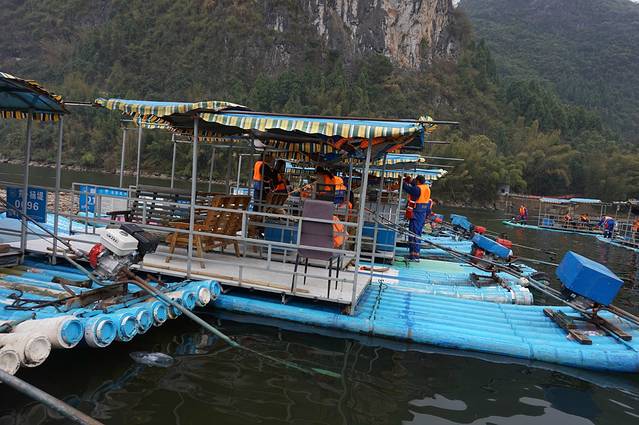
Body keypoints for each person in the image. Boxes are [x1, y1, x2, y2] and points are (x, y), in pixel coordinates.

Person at [402, 175, 431, 261]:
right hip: (422, 213)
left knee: (413, 233)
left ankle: (413, 255)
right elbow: (415, 186)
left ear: (418, 181)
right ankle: (415, 254)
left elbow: (409, 189)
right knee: (417, 233)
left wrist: (402, 182)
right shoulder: (426, 188)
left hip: (416, 213)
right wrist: (410, 181)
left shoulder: (417, 189)